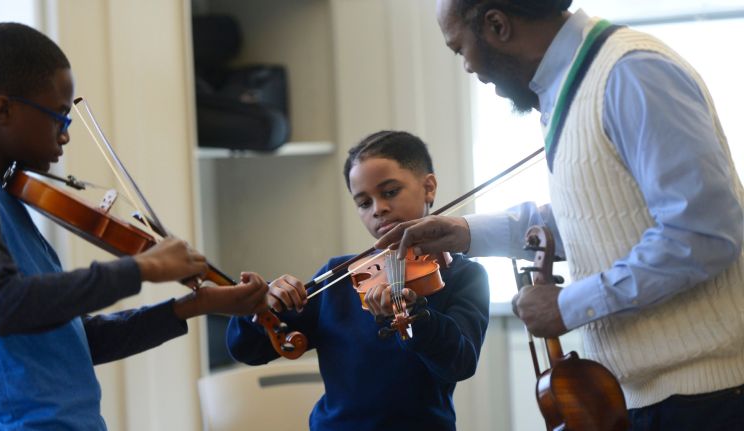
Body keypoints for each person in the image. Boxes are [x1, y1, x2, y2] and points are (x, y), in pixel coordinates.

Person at [375, 1, 744, 430]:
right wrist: (463, 231)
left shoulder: (630, 73)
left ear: (497, 24)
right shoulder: (571, 87)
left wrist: (569, 305)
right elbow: (590, 219)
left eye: (460, 49)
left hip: (705, 401)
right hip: (653, 399)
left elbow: (703, 235)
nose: (468, 68)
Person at [0, 22, 270, 429]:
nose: (65, 136)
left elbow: (77, 342)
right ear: (3, 110)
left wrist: (193, 306)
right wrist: (142, 267)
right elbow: (2, 307)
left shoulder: (9, 198)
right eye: (59, 116)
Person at [226, 131, 490, 431]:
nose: (378, 209)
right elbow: (248, 349)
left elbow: (459, 363)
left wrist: (415, 315)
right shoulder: (341, 277)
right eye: (364, 203)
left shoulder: (463, 276)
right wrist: (263, 305)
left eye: (390, 192)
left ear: (428, 188)